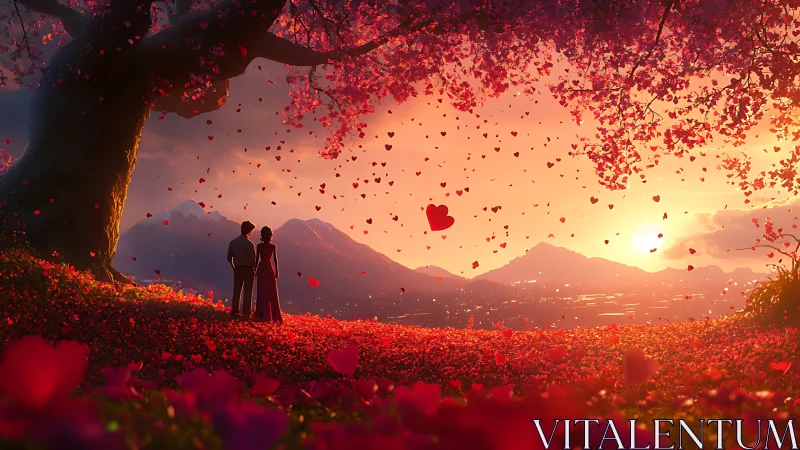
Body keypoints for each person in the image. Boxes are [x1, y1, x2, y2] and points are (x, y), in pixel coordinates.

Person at [227, 221, 256, 317]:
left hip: (237, 268)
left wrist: (234, 267)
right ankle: (246, 312)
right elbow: (253, 260)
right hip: (248, 269)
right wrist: (254, 270)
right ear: (249, 231)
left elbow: (229, 258)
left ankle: (235, 310)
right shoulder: (250, 244)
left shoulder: (233, 242)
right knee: (248, 292)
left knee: (236, 290)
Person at [254, 226, 283, 324]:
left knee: (262, 292)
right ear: (270, 235)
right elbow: (275, 260)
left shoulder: (259, 246)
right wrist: (277, 271)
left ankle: (261, 314)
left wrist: (255, 270)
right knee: (271, 292)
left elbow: (256, 260)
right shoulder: (273, 247)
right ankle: (273, 315)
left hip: (261, 269)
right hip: (269, 269)